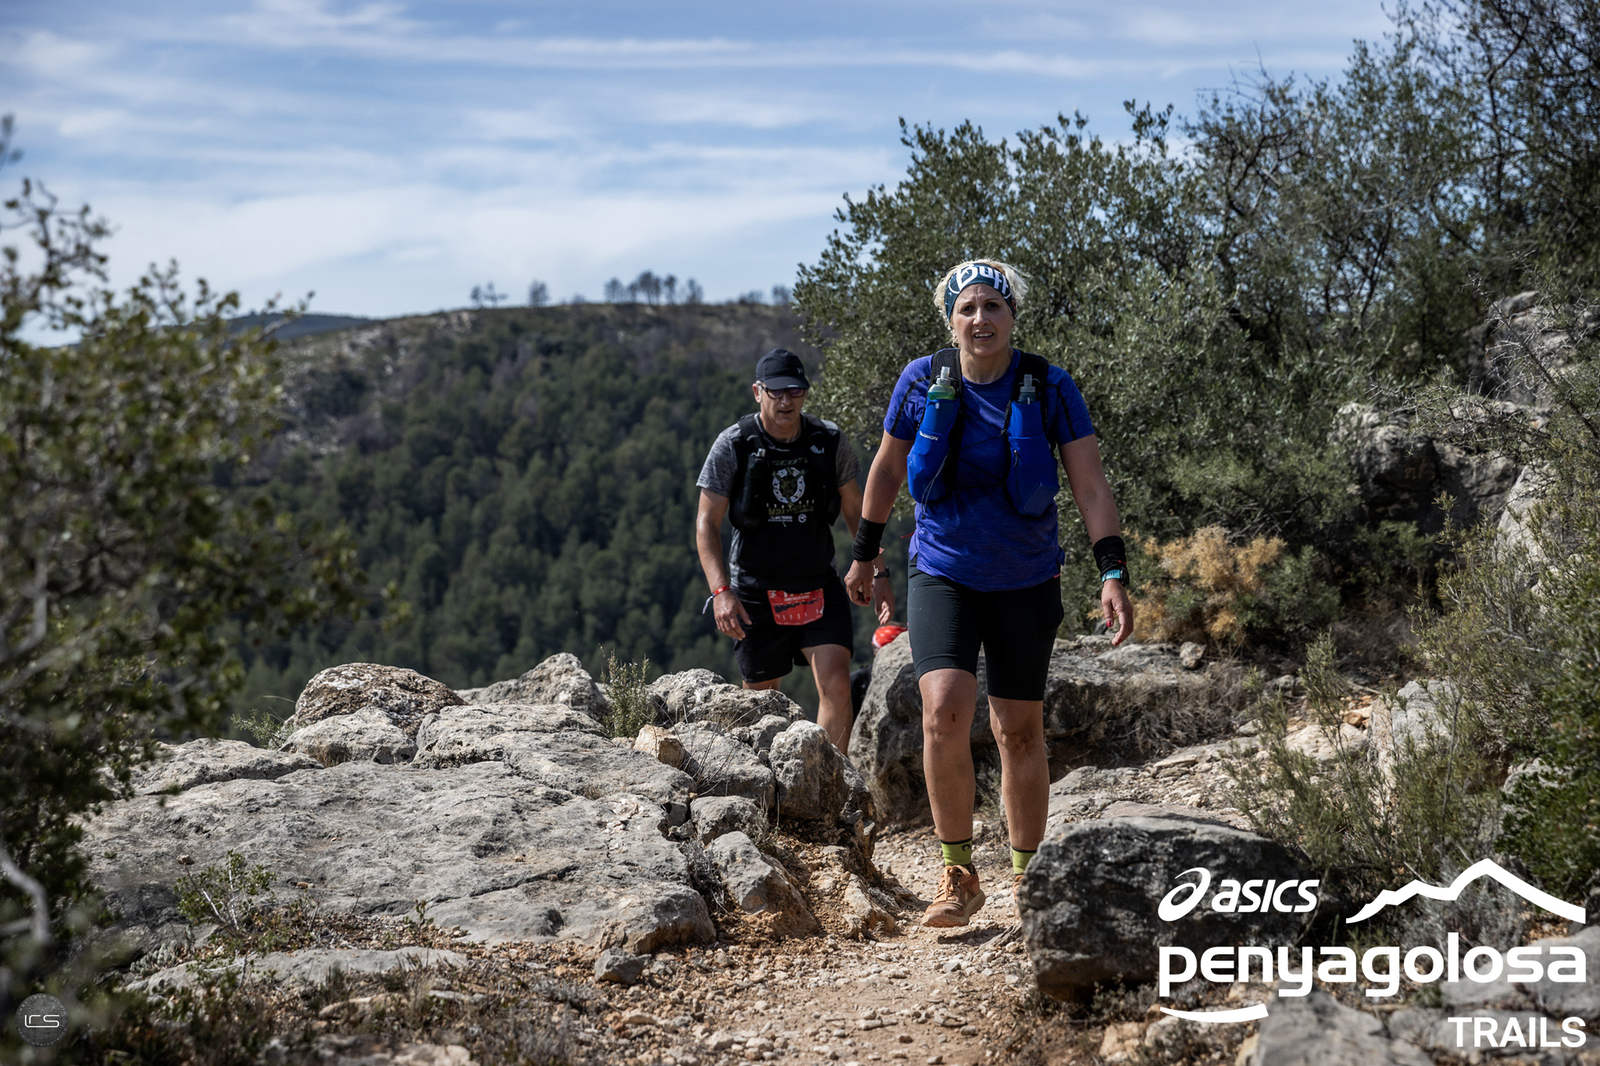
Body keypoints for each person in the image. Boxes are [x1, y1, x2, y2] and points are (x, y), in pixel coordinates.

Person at [843, 259, 1134, 927]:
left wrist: (1112, 572)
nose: (980, 318)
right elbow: (887, 469)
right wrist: (865, 554)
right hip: (942, 570)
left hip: (1025, 577)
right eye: (967, 308)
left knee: (1018, 730)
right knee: (942, 711)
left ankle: (1029, 879)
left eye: (992, 306)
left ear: (1012, 316)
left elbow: (1090, 484)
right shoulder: (922, 380)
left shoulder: (1049, 385)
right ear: (951, 320)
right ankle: (958, 874)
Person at [697, 348, 892, 753]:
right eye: (776, 392)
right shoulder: (734, 444)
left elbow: (857, 513)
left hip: (817, 584)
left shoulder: (829, 441)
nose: (786, 401)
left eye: (795, 391)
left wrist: (876, 570)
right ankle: (763, 778)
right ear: (757, 392)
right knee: (760, 703)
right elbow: (706, 524)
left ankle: (830, 777)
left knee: (837, 686)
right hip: (755, 592)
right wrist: (721, 592)